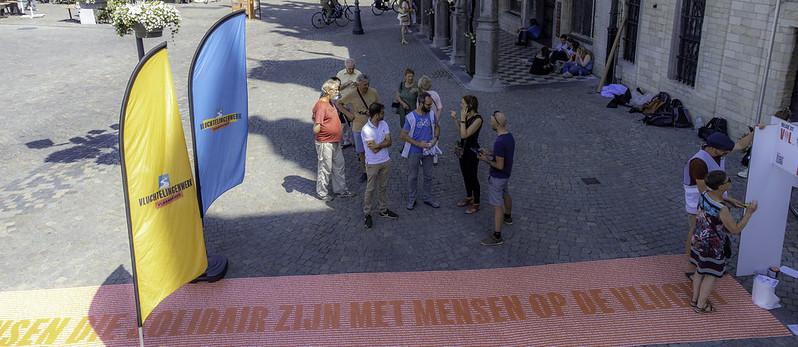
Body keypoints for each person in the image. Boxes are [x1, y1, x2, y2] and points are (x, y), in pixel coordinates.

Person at [683, 131, 751, 275]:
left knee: (712, 233)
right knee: (695, 232)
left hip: (715, 198)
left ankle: (708, 263)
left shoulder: (719, 152)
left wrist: (756, 132)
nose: (727, 153)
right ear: (714, 149)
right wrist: (725, 202)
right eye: (725, 151)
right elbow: (704, 191)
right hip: (697, 202)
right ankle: (690, 265)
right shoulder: (698, 163)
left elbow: (740, 145)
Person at [690, 170, 758, 313]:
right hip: (712, 245)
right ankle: (701, 305)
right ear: (721, 186)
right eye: (728, 181)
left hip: (698, 238)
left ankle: (694, 299)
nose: (730, 182)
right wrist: (749, 214)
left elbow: (716, 198)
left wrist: (729, 200)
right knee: (711, 274)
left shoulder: (704, 193)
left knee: (699, 269)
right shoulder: (722, 209)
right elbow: (735, 229)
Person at [313, 79, 356, 201]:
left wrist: (345, 85)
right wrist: (317, 128)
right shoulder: (321, 106)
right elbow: (316, 126)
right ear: (328, 91)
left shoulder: (330, 102)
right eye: (335, 90)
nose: (337, 92)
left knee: (339, 165)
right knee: (325, 168)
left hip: (335, 141)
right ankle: (322, 193)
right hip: (325, 142)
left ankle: (341, 190)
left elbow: (339, 90)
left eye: (337, 90)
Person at [478, 111, 515, 246]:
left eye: (492, 121)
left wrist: (485, 159)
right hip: (506, 175)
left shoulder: (499, 142)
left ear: (498, 124)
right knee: (506, 193)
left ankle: (497, 236)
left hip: (497, 177)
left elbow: (499, 165)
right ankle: (508, 216)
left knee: (497, 205)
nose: (490, 123)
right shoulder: (509, 137)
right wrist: (489, 152)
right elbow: (503, 154)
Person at [400, 92, 441, 210]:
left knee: (428, 176)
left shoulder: (431, 114)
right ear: (421, 103)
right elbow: (403, 135)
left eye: (431, 104)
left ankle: (427, 197)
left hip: (428, 150)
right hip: (414, 151)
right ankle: (412, 198)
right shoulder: (411, 117)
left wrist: (435, 138)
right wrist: (419, 144)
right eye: (428, 105)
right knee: (413, 176)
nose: (430, 107)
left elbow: (437, 127)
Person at [362, 103, 400, 228]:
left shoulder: (384, 124)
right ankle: (367, 213)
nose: (384, 114)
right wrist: (384, 143)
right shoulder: (366, 129)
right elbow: (374, 150)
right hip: (372, 163)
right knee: (370, 189)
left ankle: (383, 209)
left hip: (385, 161)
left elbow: (390, 142)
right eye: (382, 112)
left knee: (383, 187)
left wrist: (379, 144)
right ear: (376, 114)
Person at [337, 74, 381, 183]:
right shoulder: (352, 94)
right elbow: (339, 103)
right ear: (358, 84)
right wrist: (348, 114)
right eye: (364, 84)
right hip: (358, 126)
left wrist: (376, 114)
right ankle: (365, 171)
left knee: (374, 148)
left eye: (368, 84)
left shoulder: (373, 92)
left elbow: (379, 107)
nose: (367, 86)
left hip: (372, 126)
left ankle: (375, 168)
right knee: (361, 151)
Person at [450, 95, 482, 214]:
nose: (460, 105)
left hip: (472, 151)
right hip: (463, 149)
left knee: (473, 176)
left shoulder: (478, 119)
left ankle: (476, 203)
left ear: (470, 105)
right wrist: (455, 120)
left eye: (462, 103)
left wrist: (462, 118)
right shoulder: (467, 116)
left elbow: (465, 134)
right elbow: (461, 133)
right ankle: (469, 197)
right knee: (465, 174)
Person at [416, 75, 443, 164]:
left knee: (423, 138)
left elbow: (418, 110)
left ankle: (423, 157)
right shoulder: (435, 94)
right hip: (435, 121)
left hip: (424, 121)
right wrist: (436, 120)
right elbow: (440, 108)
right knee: (435, 138)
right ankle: (435, 158)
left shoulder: (421, 97)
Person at [336, 59, 362, 147]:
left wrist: (357, 85)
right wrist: (346, 84)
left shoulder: (359, 74)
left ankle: (357, 140)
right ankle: (346, 140)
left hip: (355, 101)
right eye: (349, 69)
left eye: (352, 68)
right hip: (343, 101)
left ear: (355, 67)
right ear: (345, 67)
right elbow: (336, 88)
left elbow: (364, 86)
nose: (351, 70)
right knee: (344, 123)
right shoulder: (340, 74)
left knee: (356, 120)